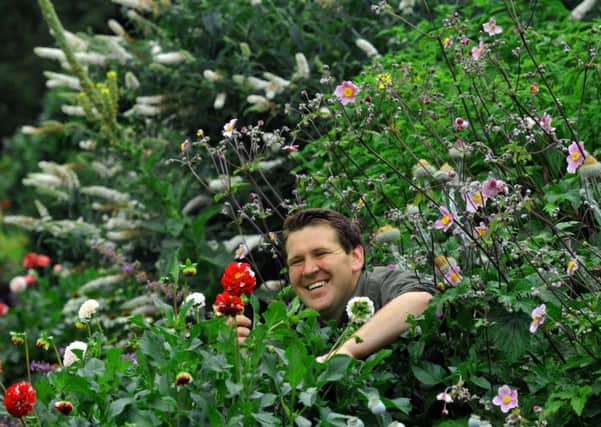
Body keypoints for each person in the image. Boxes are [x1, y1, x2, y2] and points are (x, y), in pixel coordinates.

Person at [234, 208, 436, 360]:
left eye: (321, 254)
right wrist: (243, 353)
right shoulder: (290, 322)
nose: (309, 269)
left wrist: (343, 353)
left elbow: (422, 301)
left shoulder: (381, 284)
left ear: (356, 257)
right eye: (297, 261)